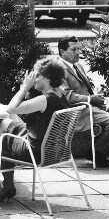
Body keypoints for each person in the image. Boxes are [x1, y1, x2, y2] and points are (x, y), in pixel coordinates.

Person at [0, 56, 68, 201]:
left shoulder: (44, 100)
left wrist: (24, 88)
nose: (33, 79)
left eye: (37, 75)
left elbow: (11, 109)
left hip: (35, 152)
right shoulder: (60, 96)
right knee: (4, 123)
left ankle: (7, 186)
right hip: (53, 150)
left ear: (48, 78)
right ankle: (7, 185)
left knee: (4, 141)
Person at [58, 36, 109, 167]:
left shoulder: (78, 65)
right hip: (78, 112)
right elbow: (67, 97)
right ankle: (96, 153)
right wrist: (90, 100)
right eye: (74, 49)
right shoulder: (59, 70)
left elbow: (85, 88)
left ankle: (99, 151)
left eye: (78, 49)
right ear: (62, 52)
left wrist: (96, 97)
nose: (78, 52)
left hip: (90, 107)